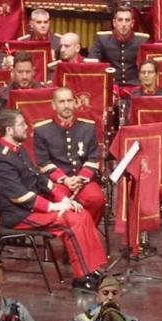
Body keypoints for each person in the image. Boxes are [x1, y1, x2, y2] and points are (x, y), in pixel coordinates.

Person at [0, 108, 108, 288]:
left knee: (81, 212)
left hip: (31, 208)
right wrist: (54, 207)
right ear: (10, 130)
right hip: (19, 215)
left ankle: (94, 269)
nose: (26, 128)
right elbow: (20, 197)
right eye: (21, 124)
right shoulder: (2, 160)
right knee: (71, 221)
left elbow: (39, 178)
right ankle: (82, 277)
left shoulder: (18, 150)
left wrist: (64, 199)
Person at [32, 87, 106, 224]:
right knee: (61, 203)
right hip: (57, 182)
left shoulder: (88, 127)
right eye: (61, 102)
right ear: (53, 105)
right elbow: (43, 163)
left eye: (69, 101)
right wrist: (65, 180)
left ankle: (86, 234)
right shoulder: (41, 130)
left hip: (83, 180)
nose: (66, 105)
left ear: (75, 103)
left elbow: (93, 158)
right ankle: (74, 239)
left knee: (97, 199)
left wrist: (81, 179)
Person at [90, 6, 146, 88]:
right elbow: (92, 63)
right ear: (114, 23)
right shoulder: (102, 39)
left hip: (135, 86)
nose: (123, 24)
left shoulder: (142, 40)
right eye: (120, 20)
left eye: (127, 20)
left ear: (132, 23)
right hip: (110, 85)